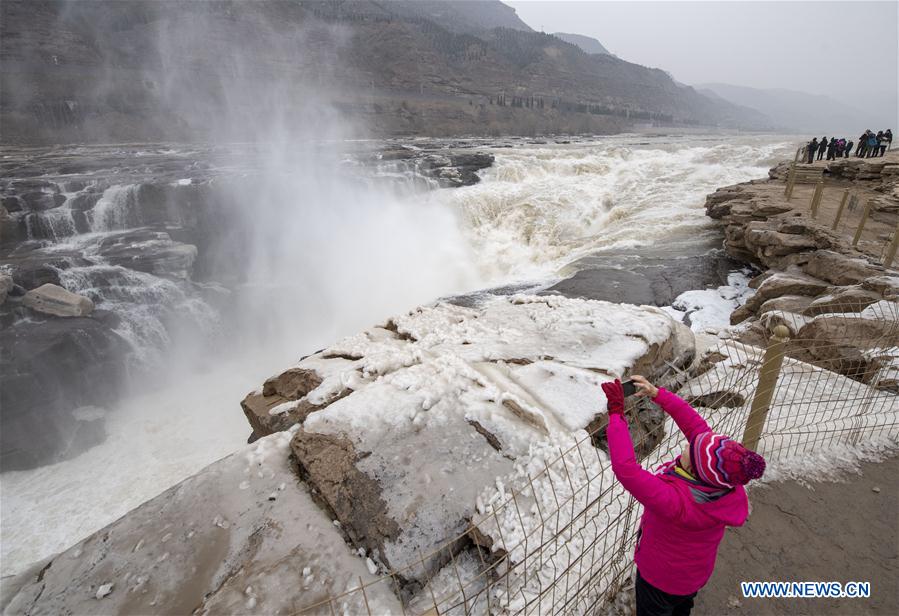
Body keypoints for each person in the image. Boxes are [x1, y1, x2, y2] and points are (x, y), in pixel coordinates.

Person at [602, 376, 766, 616]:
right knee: (682, 608)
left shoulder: (677, 501)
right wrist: (656, 393)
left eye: (690, 447)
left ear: (693, 469)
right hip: (692, 577)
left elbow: (627, 470)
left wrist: (616, 414)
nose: (688, 443)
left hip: (659, 581)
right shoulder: (723, 484)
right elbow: (694, 425)